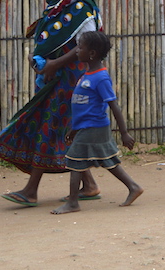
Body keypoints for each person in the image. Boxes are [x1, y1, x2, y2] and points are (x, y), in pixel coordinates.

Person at [0, 0, 102, 206]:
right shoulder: (60, 5)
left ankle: (31, 190)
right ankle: (89, 184)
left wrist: (54, 63)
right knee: (62, 128)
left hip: (72, 78)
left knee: (47, 126)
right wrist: (42, 60)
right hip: (58, 76)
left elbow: (88, 43)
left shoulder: (81, 6)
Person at [52, 31, 143, 214]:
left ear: (92, 53)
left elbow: (114, 106)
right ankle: (133, 187)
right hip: (86, 127)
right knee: (108, 160)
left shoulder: (100, 77)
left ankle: (73, 203)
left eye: (80, 47)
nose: (77, 50)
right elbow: (83, 109)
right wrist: (74, 130)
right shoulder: (87, 75)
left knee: (75, 161)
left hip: (94, 127)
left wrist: (124, 132)